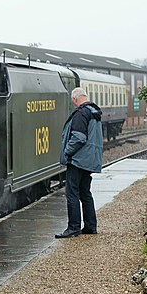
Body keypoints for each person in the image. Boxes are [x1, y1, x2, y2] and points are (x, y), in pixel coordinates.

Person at [55, 87, 103, 238]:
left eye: (72, 101)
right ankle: (90, 226)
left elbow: (79, 138)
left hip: (78, 160)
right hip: (89, 159)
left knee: (72, 194)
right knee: (85, 193)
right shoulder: (94, 112)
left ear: (75, 99)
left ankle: (73, 228)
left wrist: (67, 152)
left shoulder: (81, 114)